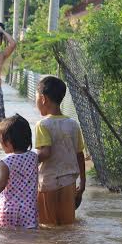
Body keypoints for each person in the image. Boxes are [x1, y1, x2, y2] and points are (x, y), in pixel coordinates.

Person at [34, 76, 86, 226]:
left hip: (48, 183)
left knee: (47, 227)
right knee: (67, 226)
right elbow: (79, 155)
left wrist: (27, 159)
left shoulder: (42, 125)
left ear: (43, 99)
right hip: (69, 183)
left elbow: (46, 153)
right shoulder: (72, 124)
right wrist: (82, 183)